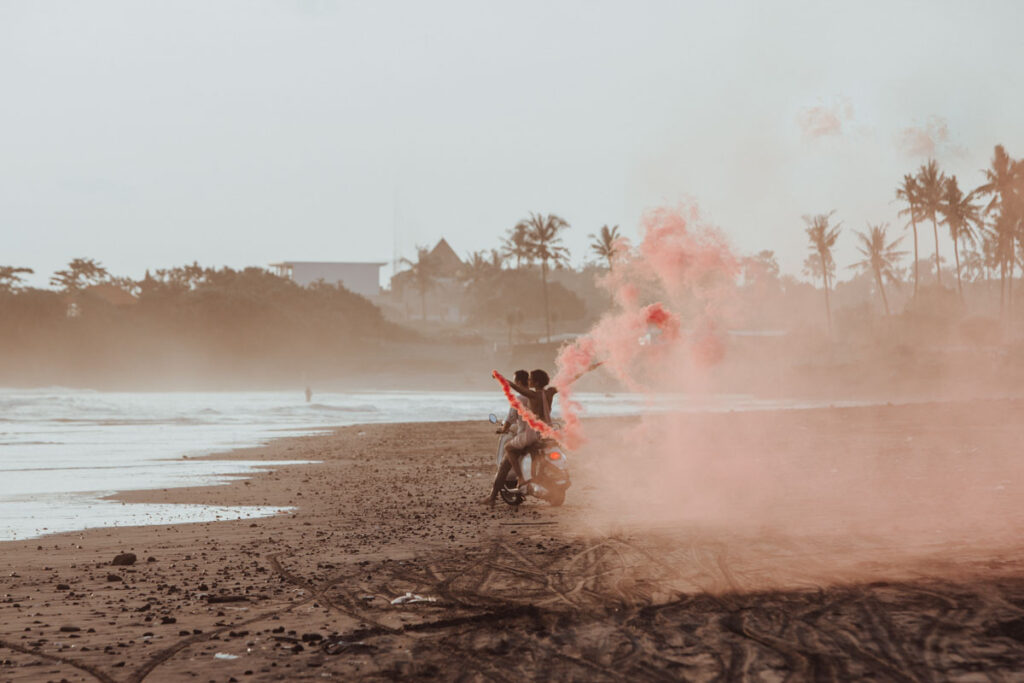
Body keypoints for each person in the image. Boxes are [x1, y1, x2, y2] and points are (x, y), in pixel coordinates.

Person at [487, 368, 557, 507]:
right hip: (545, 433)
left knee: (508, 454)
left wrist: (500, 378)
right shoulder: (548, 393)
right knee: (533, 453)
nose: (529, 381)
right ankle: (533, 479)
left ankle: (511, 485)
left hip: (528, 434)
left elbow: (511, 419)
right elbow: (566, 381)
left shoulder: (527, 396)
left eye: (531, 379)